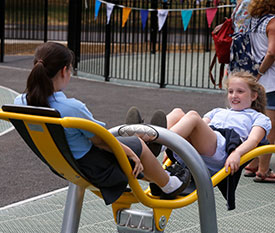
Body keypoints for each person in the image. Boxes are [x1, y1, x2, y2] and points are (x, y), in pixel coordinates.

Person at [13, 42, 190, 205]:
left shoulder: (19, 103)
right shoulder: (71, 108)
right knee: (136, 146)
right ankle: (169, 184)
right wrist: (131, 152)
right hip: (96, 168)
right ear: (63, 71)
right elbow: (101, 141)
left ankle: (148, 146)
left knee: (125, 140)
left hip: (63, 164)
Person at [164, 71, 271, 178]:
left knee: (193, 116)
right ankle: (154, 140)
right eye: (230, 91)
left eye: (240, 91)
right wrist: (173, 146)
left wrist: (237, 153)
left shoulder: (258, 117)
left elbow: (253, 140)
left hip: (221, 151)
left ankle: (160, 142)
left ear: (253, 96)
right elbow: (197, 128)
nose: (234, 95)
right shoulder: (218, 111)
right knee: (177, 113)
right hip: (203, 146)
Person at [242, 0, 275, 182]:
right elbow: (271, 52)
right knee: (270, 127)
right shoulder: (272, 22)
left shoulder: (255, 21)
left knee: (257, 122)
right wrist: (262, 71)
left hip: (258, 77)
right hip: (270, 78)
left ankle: (253, 162)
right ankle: (263, 170)